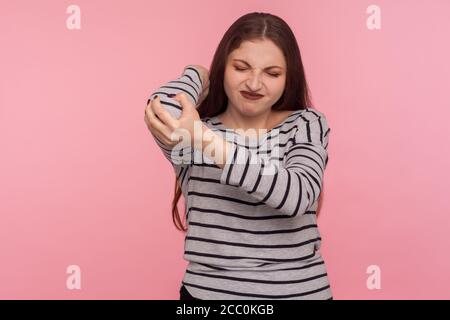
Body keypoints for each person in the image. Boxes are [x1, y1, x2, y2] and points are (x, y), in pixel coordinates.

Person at [144, 12, 332, 300]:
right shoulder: (191, 131)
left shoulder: (305, 123)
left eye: (272, 73)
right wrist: (198, 74)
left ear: (288, 78)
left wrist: (204, 139)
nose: (254, 84)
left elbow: (297, 194)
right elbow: (162, 108)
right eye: (241, 67)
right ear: (223, 67)